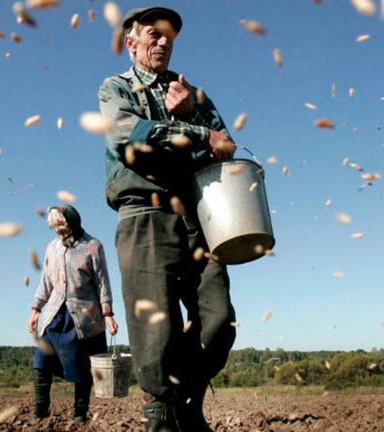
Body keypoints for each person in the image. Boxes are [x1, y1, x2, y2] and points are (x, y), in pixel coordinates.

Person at [99, 6, 237, 432]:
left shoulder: (191, 93)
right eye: (152, 34)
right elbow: (130, 139)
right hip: (144, 213)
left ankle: (188, 401)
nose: (163, 42)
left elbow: (226, 145)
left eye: (169, 37)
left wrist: (192, 116)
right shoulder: (114, 89)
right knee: (154, 331)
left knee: (217, 319)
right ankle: (161, 415)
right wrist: (190, 129)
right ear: (131, 43)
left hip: (198, 215)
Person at [27, 204, 119, 423]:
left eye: (60, 224)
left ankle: (80, 414)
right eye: (53, 226)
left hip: (84, 318)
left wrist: (107, 314)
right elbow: (45, 282)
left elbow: (102, 283)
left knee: (82, 367)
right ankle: (40, 412)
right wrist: (35, 310)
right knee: (41, 360)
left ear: (72, 221)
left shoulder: (93, 247)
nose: (57, 230)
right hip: (55, 315)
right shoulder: (52, 248)